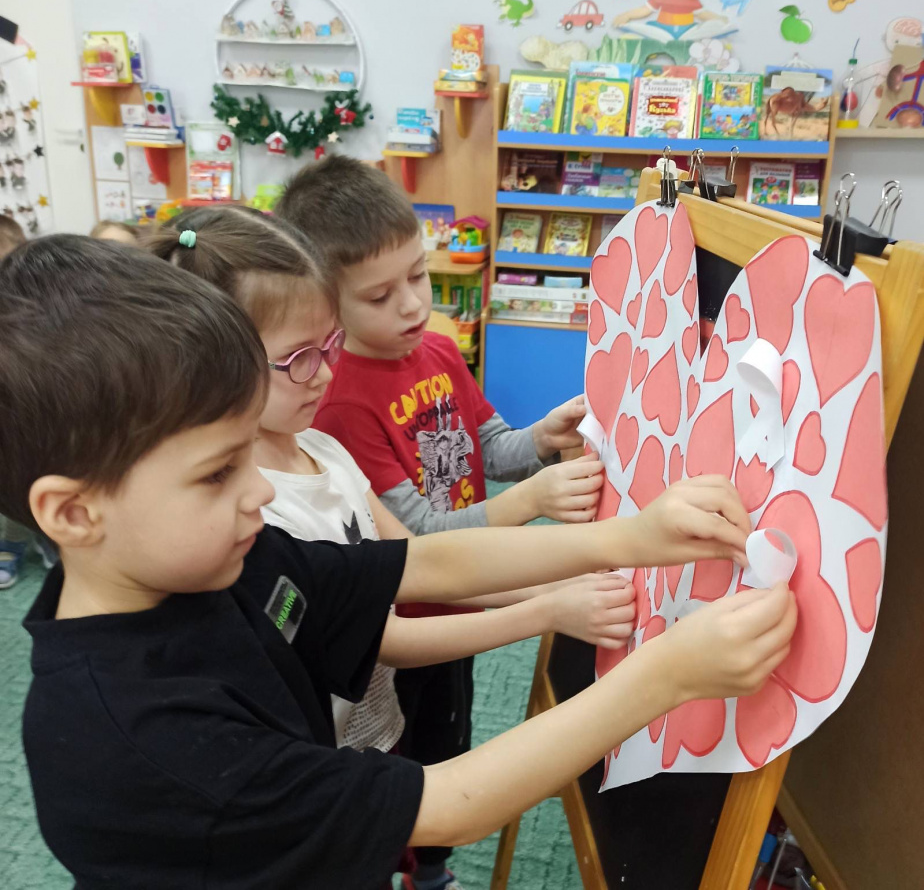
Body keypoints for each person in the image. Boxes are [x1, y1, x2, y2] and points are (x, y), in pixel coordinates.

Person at [1, 234, 796, 890]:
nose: (258, 492)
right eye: (217, 473)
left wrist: (629, 539)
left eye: (248, 455)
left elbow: (419, 563)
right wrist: (666, 676)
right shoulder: (136, 736)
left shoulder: (213, 558)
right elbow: (447, 803)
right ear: (72, 513)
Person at [146, 207, 635, 773]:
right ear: (217, 367)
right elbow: (386, 634)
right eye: (301, 359)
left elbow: (422, 558)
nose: (326, 374)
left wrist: (559, 580)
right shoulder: (254, 510)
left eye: (330, 344)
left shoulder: (322, 449)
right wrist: (548, 608)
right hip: (328, 754)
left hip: (377, 716)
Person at [277, 155, 607, 888]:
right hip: (401, 630)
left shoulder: (436, 350)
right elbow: (416, 536)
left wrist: (540, 438)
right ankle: (413, 868)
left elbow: (489, 445)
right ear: (325, 307)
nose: (411, 305)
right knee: (401, 761)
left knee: (451, 739)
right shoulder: (338, 402)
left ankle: (431, 872)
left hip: (465, 603)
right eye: (379, 295)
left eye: (418, 276)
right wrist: (530, 503)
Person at [0, 214, 55, 587]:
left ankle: (47, 537)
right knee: (13, 486)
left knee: (45, 477)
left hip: (41, 413)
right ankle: (13, 544)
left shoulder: (39, 299)